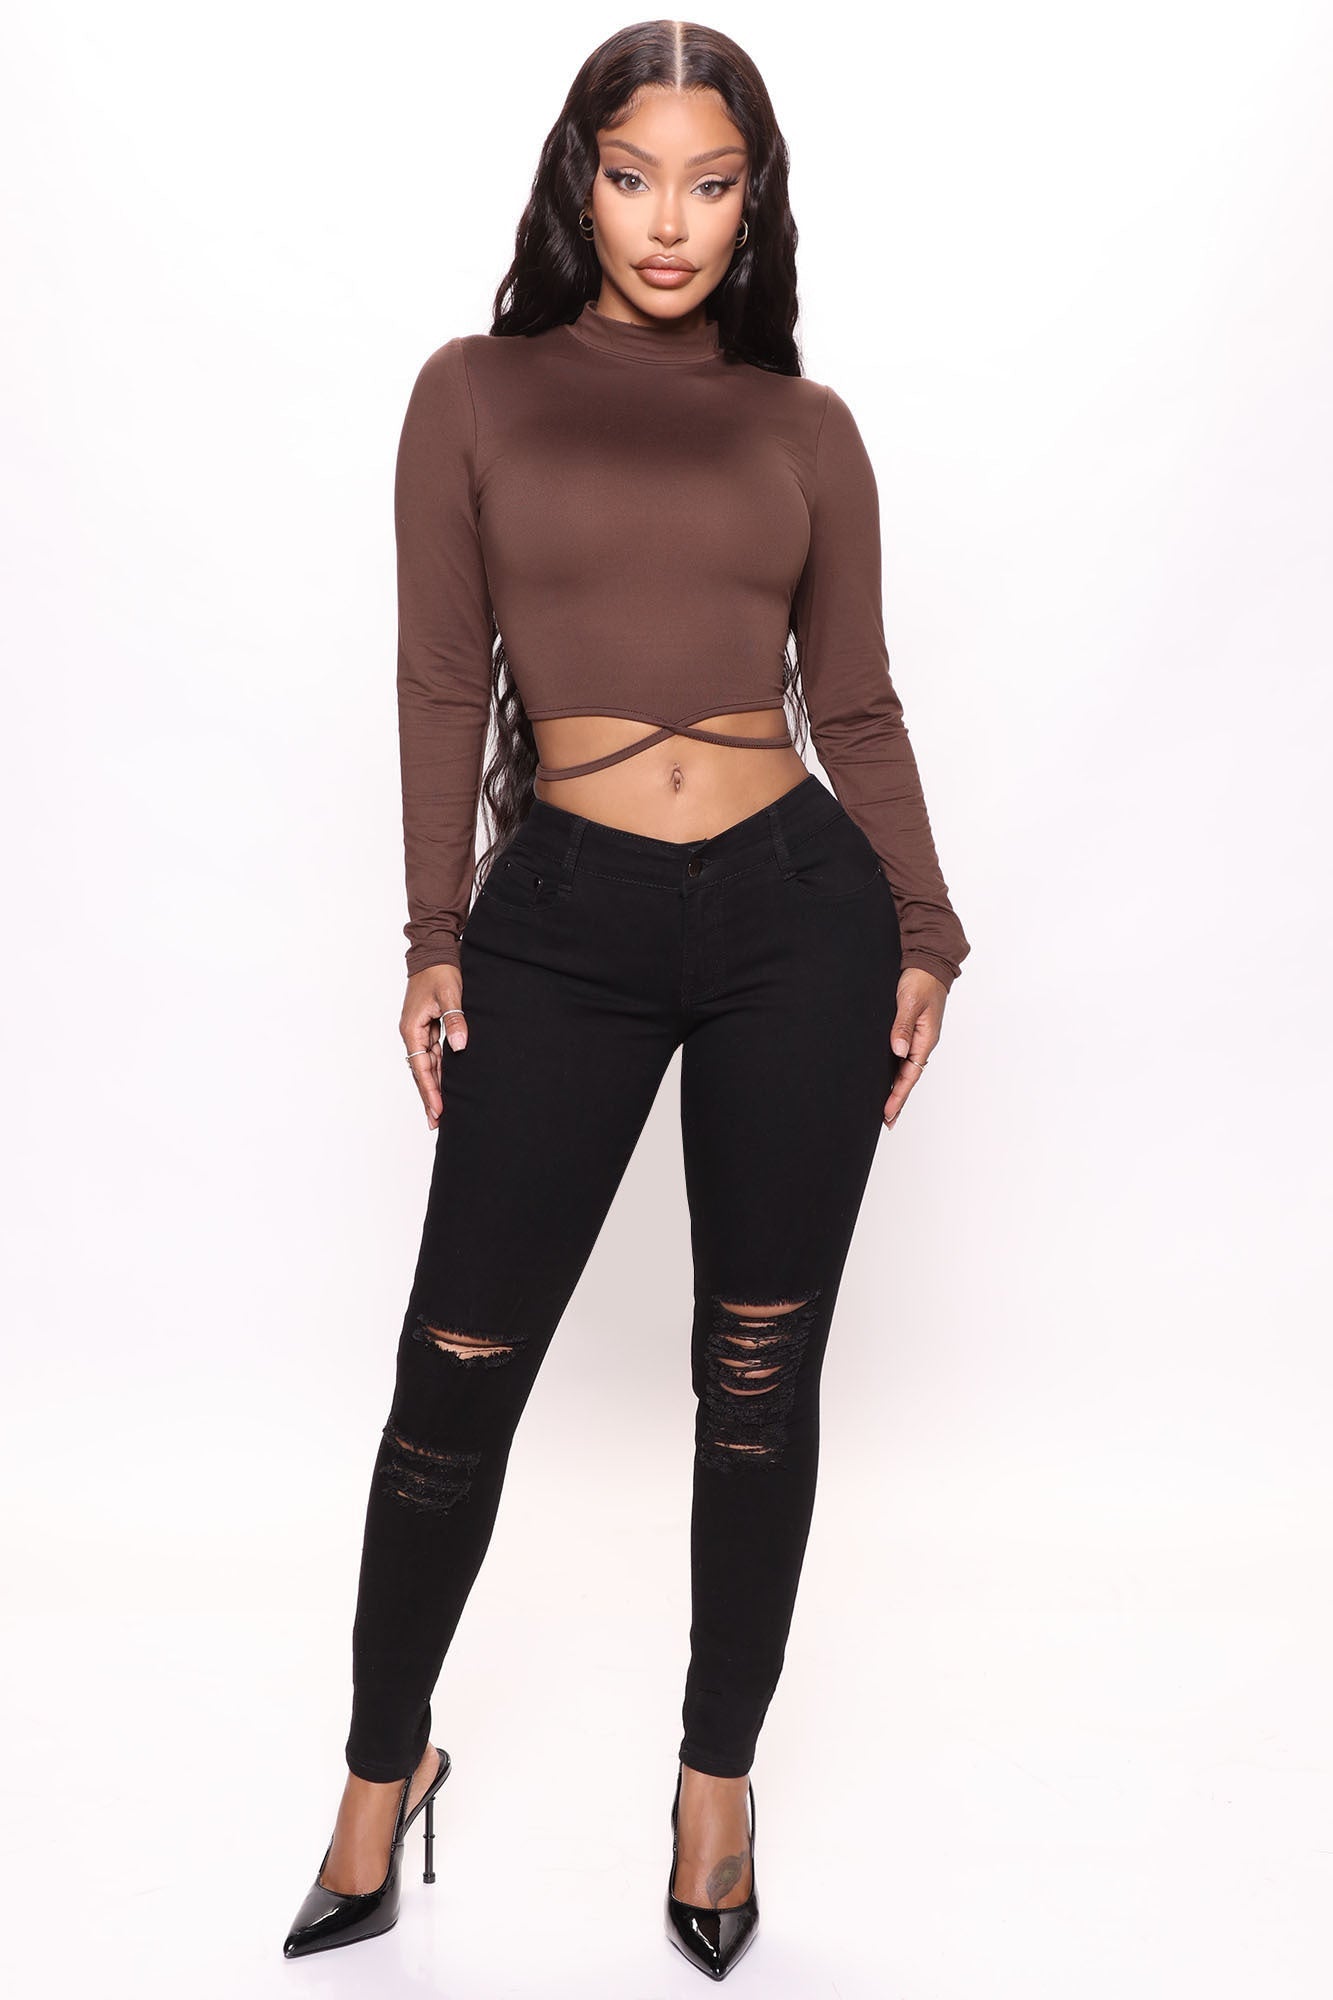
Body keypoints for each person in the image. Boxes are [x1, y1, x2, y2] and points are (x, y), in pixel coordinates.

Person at [283, 20, 970, 1981]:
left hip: (793, 920)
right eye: (632, 173)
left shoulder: (804, 426)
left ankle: (713, 1784)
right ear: (576, 181)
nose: (669, 220)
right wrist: (433, 929)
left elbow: (853, 700)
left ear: (754, 203)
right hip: (563, 917)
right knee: (455, 1373)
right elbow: (440, 677)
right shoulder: (472, 393)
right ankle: (379, 1765)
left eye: (710, 181)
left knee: (754, 1380)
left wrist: (925, 927)